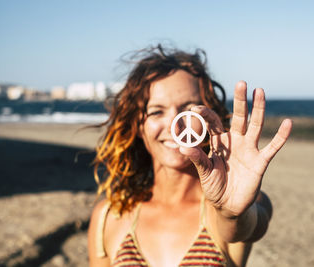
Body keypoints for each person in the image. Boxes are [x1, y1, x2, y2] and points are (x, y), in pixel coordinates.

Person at [87, 44, 292, 267]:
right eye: (156, 111)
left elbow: (247, 226)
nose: (176, 126)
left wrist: (232, 214)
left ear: (208, 116)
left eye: (188, 110)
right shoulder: (108, 218)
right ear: (137, 126)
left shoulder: (229, 204)